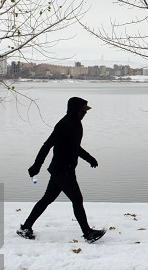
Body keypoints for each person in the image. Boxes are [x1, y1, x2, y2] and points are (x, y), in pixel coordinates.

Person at [18, 96, 105, 243]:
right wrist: (36, 165)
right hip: (62, 170)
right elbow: (47, 145)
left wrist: (89, 158)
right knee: (77, 199)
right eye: (82, 111)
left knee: (47, 199)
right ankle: (87, 233)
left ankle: (26, 227)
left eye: (85, 111)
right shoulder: (64, 124)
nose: (85, 113)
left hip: (65, 170)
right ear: (74, 110)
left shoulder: (76, 124)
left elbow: (74, 146)